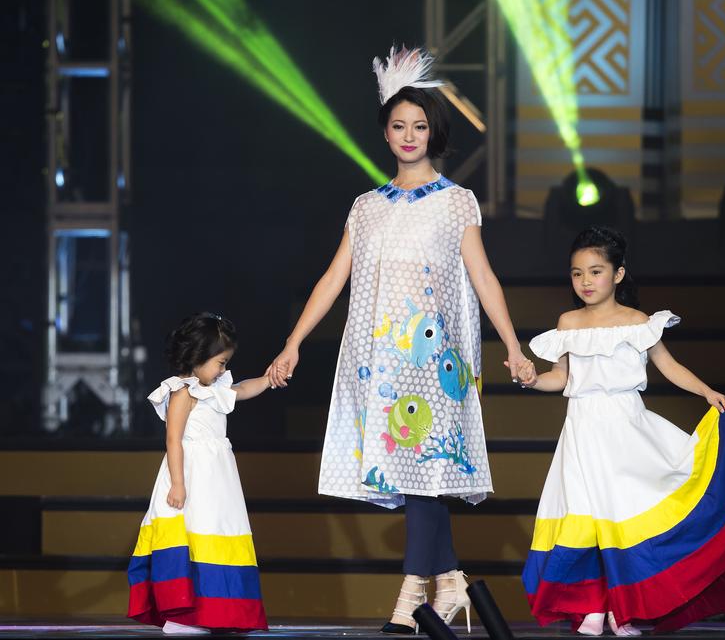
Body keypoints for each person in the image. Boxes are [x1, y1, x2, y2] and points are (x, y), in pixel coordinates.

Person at [266, 46, 531, 634]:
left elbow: (482, 276)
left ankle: (414, 595)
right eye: (398, 126)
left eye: (419, 126)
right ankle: (450, 580)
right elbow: (334, 278)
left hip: (433, 359)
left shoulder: (456, 202)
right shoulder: (366, 208)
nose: (409, 135)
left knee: (423, 468)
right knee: (414, 471)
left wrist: (512, 345)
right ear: (385, 133)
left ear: (433, 132)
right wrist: (293, 343)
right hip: (378, 362)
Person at [518, 227, 725, 635]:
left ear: (618, 274)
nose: (586, 281)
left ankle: (623, 609)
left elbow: (669, 366)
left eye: (595, 271)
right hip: (582, 431)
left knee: (623, 517)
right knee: (587, 518)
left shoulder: (638, 322)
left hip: (627, 429)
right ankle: (593, 604)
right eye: (576, 274)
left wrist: (706, 391)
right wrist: (532, 380)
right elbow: (561, 377)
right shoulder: (568, 322)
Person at [127, 312, 270, 634]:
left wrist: (269, 379)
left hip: (217, 477)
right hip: (192, 475)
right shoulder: (182, 392)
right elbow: (173, 440)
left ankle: (217, 611)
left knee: (218, 534)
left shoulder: (217, 388)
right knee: (193, 535)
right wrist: (178, 484)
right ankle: (182, 616)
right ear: (199, 357)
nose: (223, 369)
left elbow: (244, 389)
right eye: (220, 362)